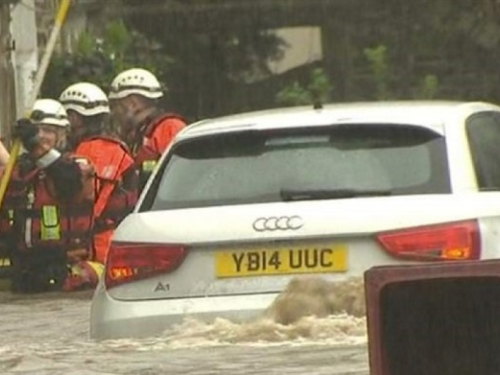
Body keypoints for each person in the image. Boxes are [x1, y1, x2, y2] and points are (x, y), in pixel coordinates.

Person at [0, 99, 101, 293]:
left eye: (48, 130)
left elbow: (69, 180)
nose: (42, 136)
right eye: (37, 130)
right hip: (25, 269)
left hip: (65, 269)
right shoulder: (18, 170)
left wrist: (36, 145)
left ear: (63, 134)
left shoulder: (76, 165)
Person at [59, 82, 137, 265]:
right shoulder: (110, 146)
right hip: (103, 243)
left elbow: (94, 203)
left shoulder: (95, 149)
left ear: (75, 117)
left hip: (96, 248)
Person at [108, 68, 187, 191]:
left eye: (116, 105)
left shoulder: (170, 128)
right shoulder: (137, 135)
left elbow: (181, 178)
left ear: (133, 104)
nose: (114, 112)